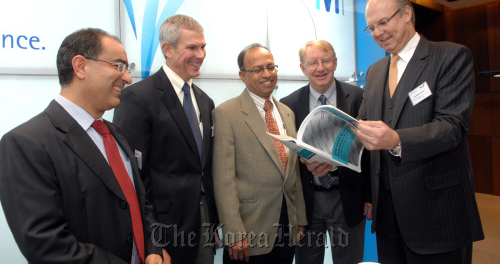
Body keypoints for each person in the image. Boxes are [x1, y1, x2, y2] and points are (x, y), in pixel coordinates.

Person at [0, 28, 168, 263]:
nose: (128, 78)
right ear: (80, 66)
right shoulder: (26, 143)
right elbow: (46, 245)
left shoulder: (114, 133)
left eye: (127, 69)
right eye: (119, 66)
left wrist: (153, 248)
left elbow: (140, 202)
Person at [345, 0, 483, 263]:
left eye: (384, 22)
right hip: (387, 216)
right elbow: (360, 125)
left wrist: (396, 140)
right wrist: (326, 153)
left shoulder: (450, 57)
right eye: (371, 27)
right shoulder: (375, 72)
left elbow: (452, 127)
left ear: (407, 13)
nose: (378, 32)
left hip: (437, 212)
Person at [113, 15, 218, 264]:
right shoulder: (138, 98)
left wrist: (212, 222)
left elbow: (203, 168)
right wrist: (153, 242)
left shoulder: (204, 101)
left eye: (203, 47)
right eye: (192, 47)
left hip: (202, 223)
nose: (201, 54)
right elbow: (133, 178)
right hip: (163, 230)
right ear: (167, 49)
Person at [212, 43, 307, 264]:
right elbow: (223, 180)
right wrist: (234, 232)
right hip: (248, 230)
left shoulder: (287, 113)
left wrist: (299, 218)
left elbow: (293, 171)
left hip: (287, 226)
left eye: (271, 67)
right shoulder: (226, 113)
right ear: (242, 76)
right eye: (257, 69)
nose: (267, 74)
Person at [280, 40, 371, 264]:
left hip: (348, 197)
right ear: (303, 68)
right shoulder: (288, 104)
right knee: (308, 260)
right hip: (307, 201)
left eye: (326, 60)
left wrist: (370, 196)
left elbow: (370, 153)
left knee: (349, 259)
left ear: (336, 62)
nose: (320, 68)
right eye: (312, 63)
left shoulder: (359, 98)